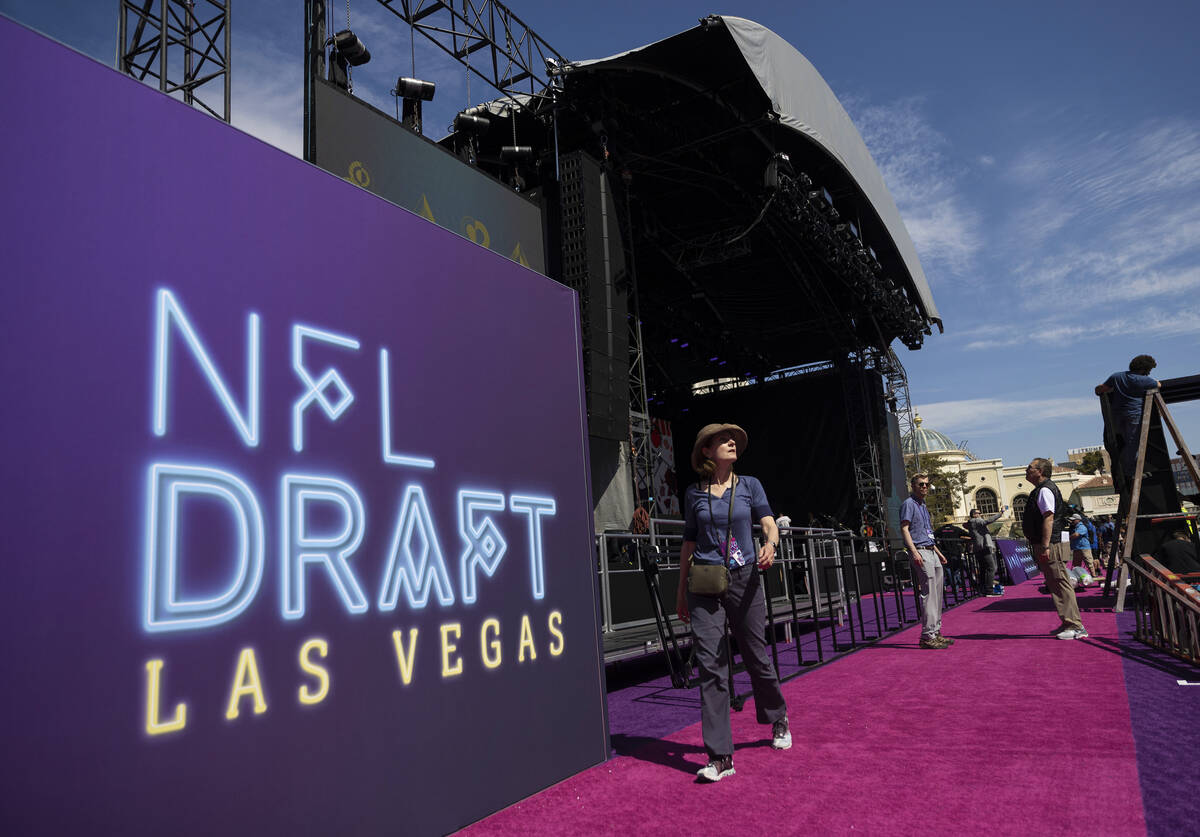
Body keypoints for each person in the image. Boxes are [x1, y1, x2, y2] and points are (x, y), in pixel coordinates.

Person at [675, 423, 790, 783]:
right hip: (705, 583)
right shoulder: (694, 494)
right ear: (706, 451)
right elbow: (689, 546)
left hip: (745, 578)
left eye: (734, 439)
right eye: (722, 440)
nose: (730, 442)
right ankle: (721, 756)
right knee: (711, 665)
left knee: (756, 655)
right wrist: (680, 591)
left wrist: (770, 544)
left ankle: (777, 716)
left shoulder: (750, 485)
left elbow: (768, 523)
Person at [1022, 459, 1088, 639]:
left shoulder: (1044, 490)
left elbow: (1048, 519)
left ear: (1040, 471)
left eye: (1030, 468)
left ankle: (1075, 625)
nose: (1026, 470)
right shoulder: (1042, 490)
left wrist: (1045, 545)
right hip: (1050, 542)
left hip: (1051, 544)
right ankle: (1068, 622)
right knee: (1056, 583)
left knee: (1060, 583)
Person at [900, 474, 953, 648]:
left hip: (931, 551)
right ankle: (927, 635)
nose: (925, 487)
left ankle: (936, 631)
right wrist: (914, 552)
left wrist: (938, 552)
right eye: (921, 484)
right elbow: (905, 529)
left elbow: (927, 533)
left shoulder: (923, 506)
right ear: (913, 486)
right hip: (921, 552)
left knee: (937, 594)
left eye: (927, 484)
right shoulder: (909, 504)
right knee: (929, 593)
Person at [1095, 355, 1158, 482]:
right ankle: (1131, 471)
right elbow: (1158, 384)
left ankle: (1125, 470)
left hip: (1117, 415)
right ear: (1143, 369)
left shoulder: (1117, 376)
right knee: (1133, 443)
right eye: (1148, 370)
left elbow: (1100, 389)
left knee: (1124, 442)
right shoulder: (1144, 381)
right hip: (1134, 415)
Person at [967, 505, 1007, 597]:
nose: (981, 514)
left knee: (983, 569)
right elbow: (988, 521)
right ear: (974, 515)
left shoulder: (972, 522)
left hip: (979, 548)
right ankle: (989, 590)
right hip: (983, 548)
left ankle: (982, 589)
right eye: (979, 513)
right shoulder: (976, 521)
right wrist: (1000, 513)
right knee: (991, 568)